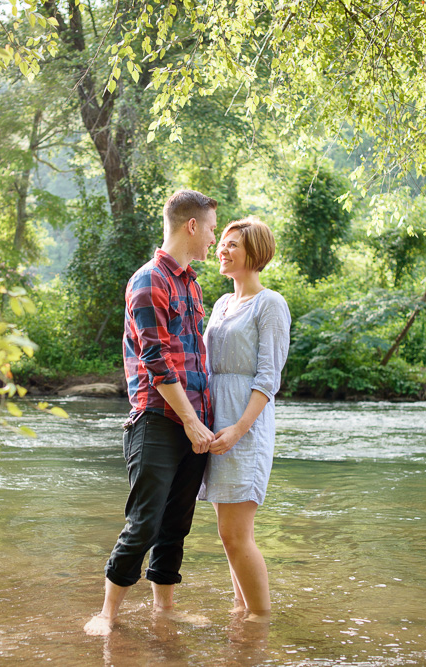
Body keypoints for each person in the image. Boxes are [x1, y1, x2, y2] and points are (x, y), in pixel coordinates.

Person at [84, 190, 218, 636]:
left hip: (196, 422)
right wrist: (192, 421)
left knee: (176, 523)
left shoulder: (193, 283)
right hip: (158, 421)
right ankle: (107, 614)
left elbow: (196, 354)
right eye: (212, 228)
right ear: (191, 226)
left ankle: (164, 609)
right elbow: (157, 361)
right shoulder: (148, 281)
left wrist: (203, 421)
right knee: (143, 522)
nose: (214, 239)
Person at [198, 216, 290, 621]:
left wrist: (238, 428)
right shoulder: (221, 303)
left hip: (244, 426)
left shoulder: (270, 304)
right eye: (224, 243)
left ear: (255, 253)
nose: (222, 249)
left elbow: (269, 379)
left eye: (233, 245)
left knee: (238, 533)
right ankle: (242, 610)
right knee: (227, 534)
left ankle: (260, 620)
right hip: (216, 422)